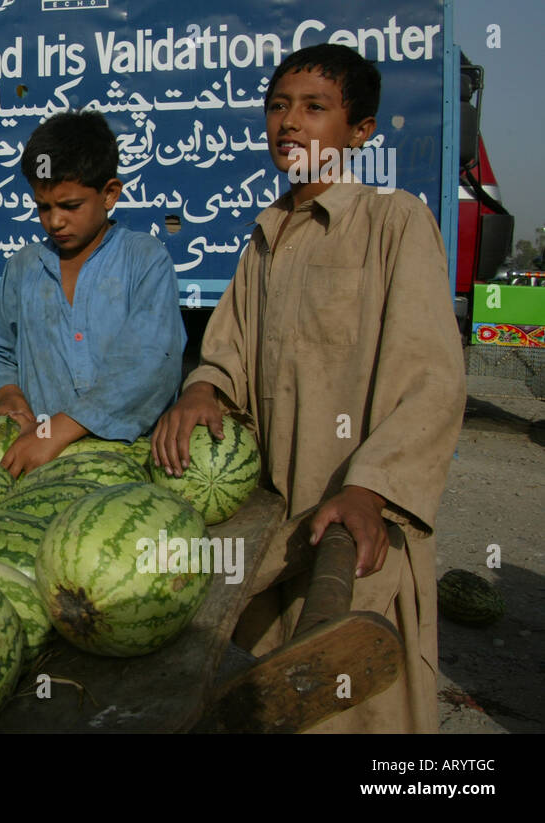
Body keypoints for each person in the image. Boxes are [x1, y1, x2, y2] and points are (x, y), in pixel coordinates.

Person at [151, 43, 465, 733]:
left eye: (315, 108)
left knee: (356, 713)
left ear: (361, 131)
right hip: (274, 537)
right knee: (265, 698)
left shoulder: (394, 221)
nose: (289, 123)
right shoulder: (265, 235)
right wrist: (204, 389)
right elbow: (225, 351)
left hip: (357, 536)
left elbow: (432, 381)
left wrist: (372, 485)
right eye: (278, 106)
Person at [0, 111, 185, 477]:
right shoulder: (24, 266)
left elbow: (148, 366)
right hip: (41, 467)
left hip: (127, 466)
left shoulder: (144, 259)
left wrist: (58, 429)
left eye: (70, 206)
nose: (55, 221)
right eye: (43, 207)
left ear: (110, 193)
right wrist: (12, 398)